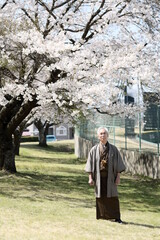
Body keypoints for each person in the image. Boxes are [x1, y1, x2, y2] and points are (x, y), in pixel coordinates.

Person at [85, 127, 125, 223]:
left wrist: (118, 177)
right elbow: (89, 165)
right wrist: (90, 178)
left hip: (111, 178)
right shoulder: (94, 150)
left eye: (104, 133)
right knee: (100, 196)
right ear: (98, 136)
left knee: (113, 196)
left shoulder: (114, 149)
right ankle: (102, 216)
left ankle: (116, 217)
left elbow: (119, 165)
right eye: (101, 134)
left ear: (108, 135)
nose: (103, 135)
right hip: (99, 177)